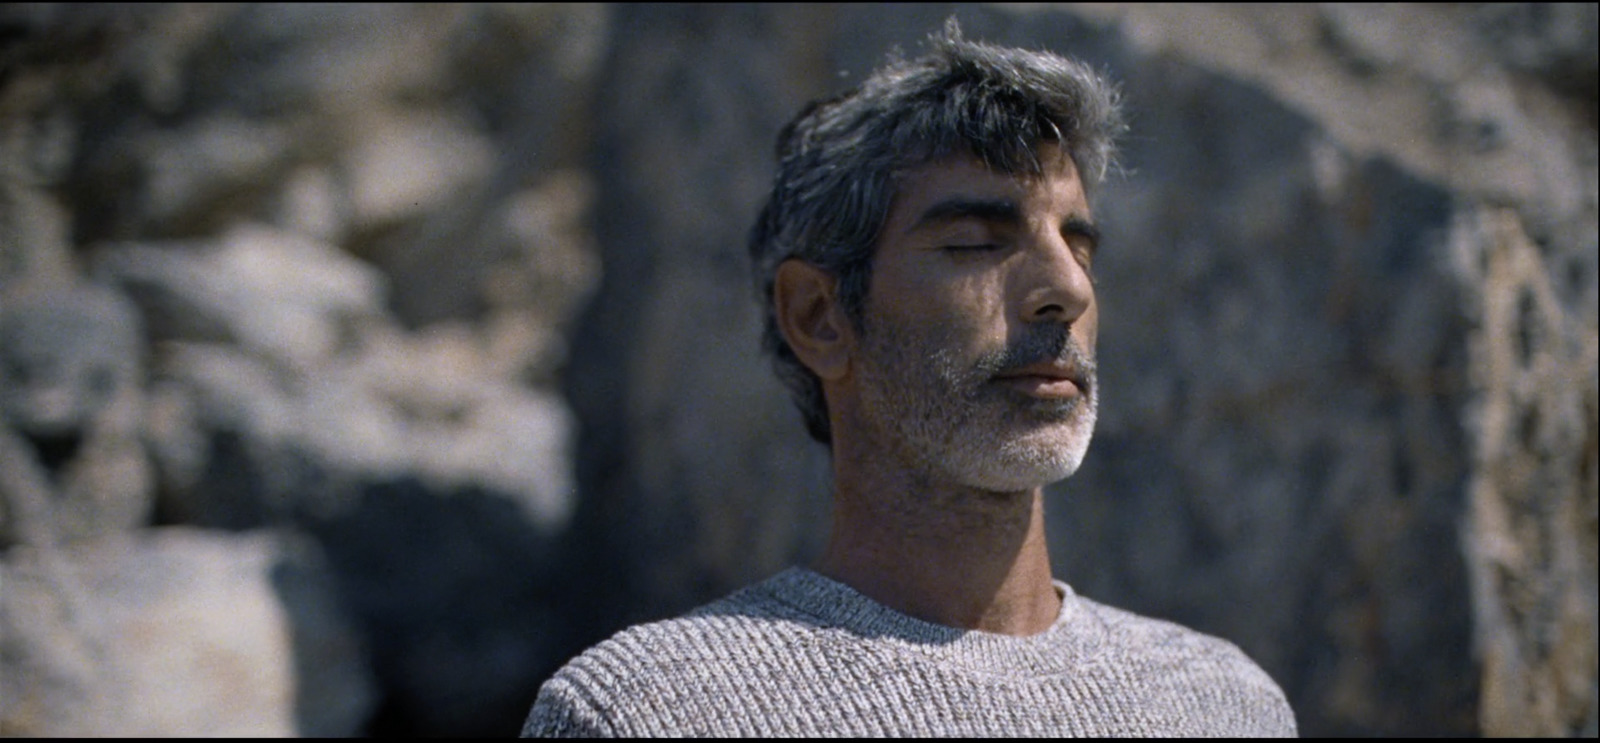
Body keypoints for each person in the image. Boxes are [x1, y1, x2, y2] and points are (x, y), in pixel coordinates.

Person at [522, 19, 1298, 737]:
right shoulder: (647, 713)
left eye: (1080, 243)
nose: (1067, 287)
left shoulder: (1225, 703)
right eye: (974, 243)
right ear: (820, 316)